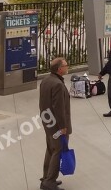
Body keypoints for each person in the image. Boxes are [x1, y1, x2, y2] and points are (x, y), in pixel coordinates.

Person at [38, 57, 71, 190]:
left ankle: (46, 177)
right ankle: (49, 182)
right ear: (59, 69)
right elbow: (59, 108)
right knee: (58, 150)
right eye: (66, 65)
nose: (67, 67)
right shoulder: (57, 84)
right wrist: (63, 127)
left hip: (48, 122)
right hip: (57, 125)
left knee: (51, 150)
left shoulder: (46, 80)